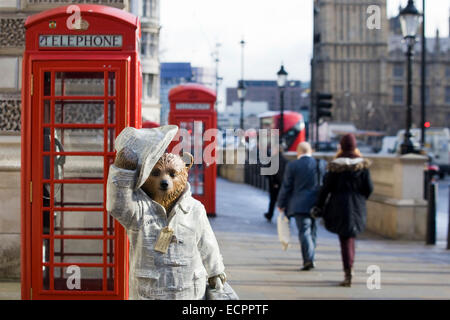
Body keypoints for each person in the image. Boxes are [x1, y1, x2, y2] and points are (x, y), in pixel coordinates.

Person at [312, 133, 373, 287]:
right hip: (357, 204)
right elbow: (369, 188)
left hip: (338, 204)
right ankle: (350, 267)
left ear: (342, 146)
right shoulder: (363, 166)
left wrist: (319, 206)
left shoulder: (335, 166)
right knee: (351, 236)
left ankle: (348, 270)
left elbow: (325, 189)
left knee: (344, 239)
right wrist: (360, 198)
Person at [277, 142, 326, 271]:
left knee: (304, 231)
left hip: (299, 204)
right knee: (313, 231)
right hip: (316, 204)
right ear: (311, 151)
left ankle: (308, 259)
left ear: (298, 152)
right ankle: (311, 256)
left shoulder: (293, 165)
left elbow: (286, 186)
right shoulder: (319, 164)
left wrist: (281, 203)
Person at [263, 146, 288, 222]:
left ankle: (270, 215)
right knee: (283, 200)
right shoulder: (285, 160)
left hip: (274, 184)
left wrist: (274, 182)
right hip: (283, 184)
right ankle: (286, 216)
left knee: (273, 200)